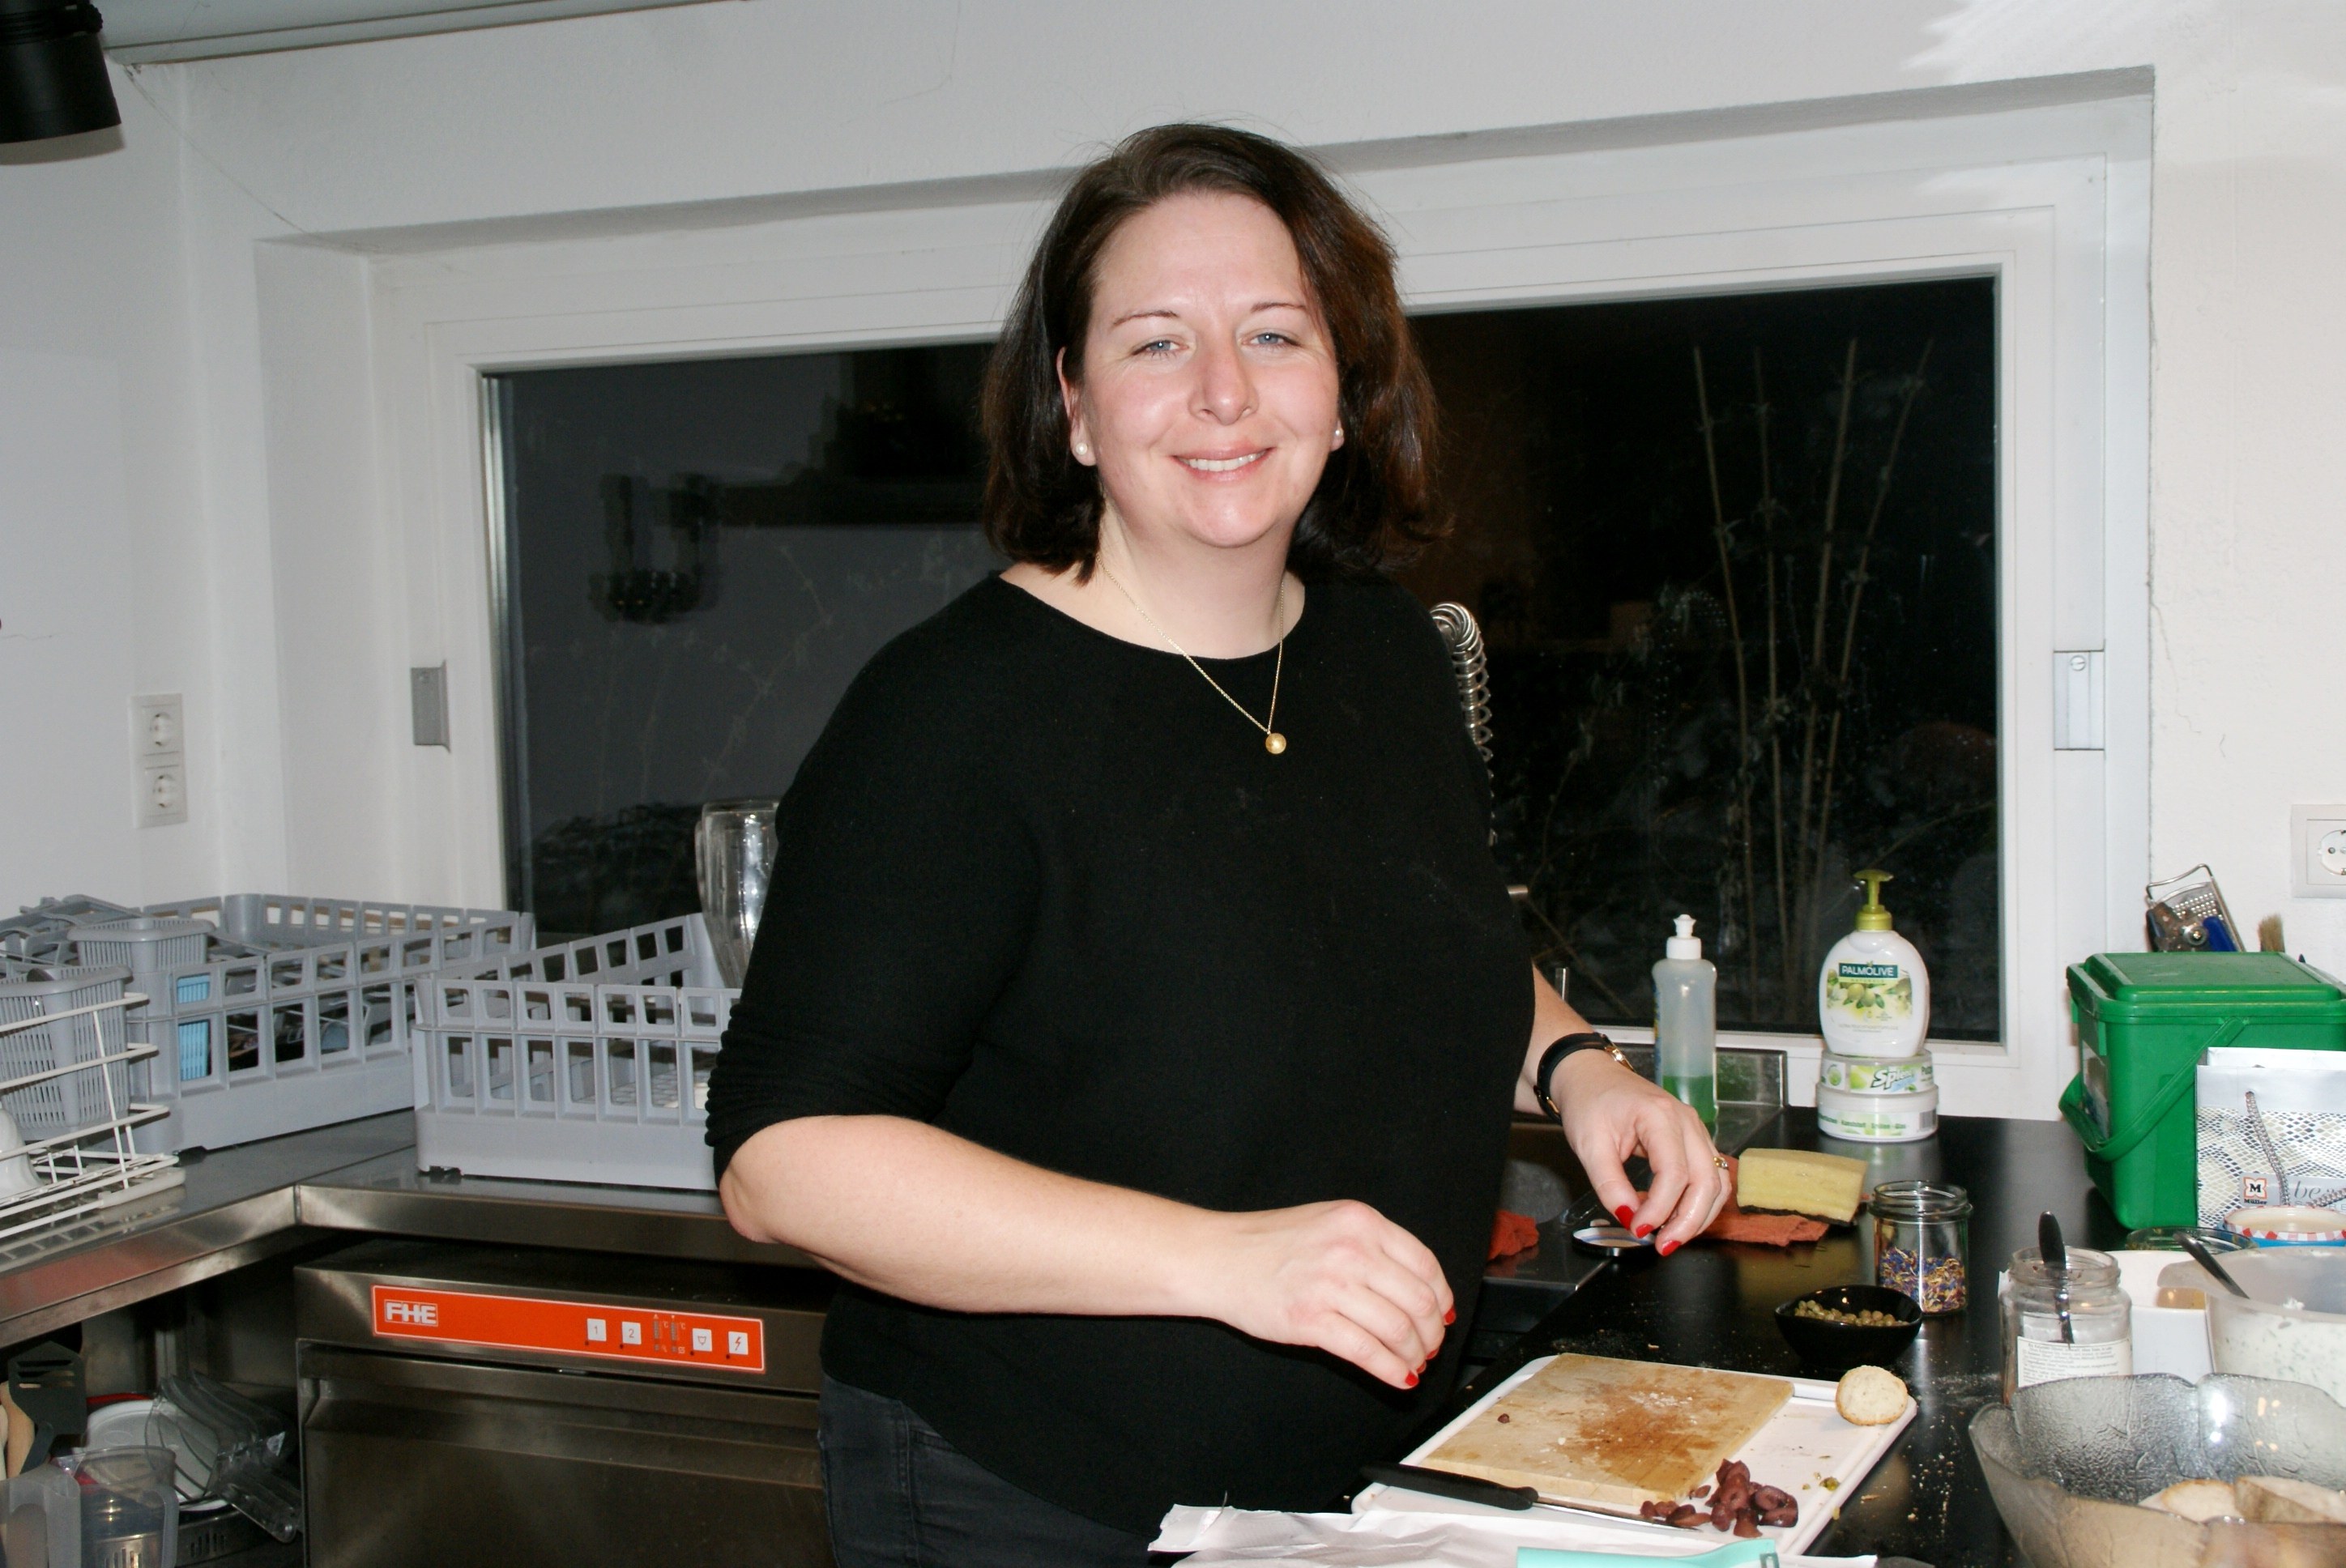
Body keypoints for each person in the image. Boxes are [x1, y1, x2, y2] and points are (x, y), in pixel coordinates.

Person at [706, 123, 1730, 1568]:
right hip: (1037, 1493)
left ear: (1344, 389)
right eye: (1156, 343)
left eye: (1272, 333)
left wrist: (1577, 1069)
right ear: (1073, 406)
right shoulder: (955, 714)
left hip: (1349, 1487)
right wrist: (1221, 1259)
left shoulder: (1385, 654)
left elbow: (1429, 937)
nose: (1224, 392)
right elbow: (783, 1162)